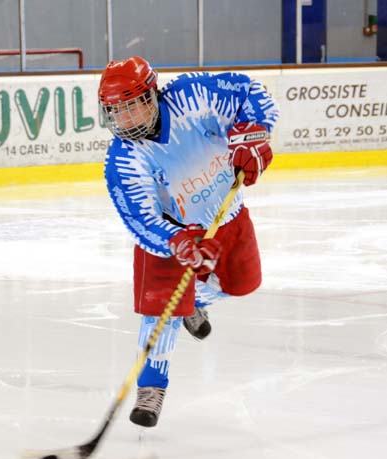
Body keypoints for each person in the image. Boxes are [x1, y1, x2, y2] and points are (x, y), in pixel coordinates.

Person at [98, 56, 279, 428]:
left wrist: (254, 135)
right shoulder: (123, 159)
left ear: (151, 95)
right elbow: (141, 221)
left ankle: (194, 301)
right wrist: (181, 243)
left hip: (228, 215)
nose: (124, 118)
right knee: (161, 311)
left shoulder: (193, 96)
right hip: (173, 234)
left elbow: (251, 92)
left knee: (242, 284)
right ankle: (151, 389)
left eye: (131, 106)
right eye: (116, 110)